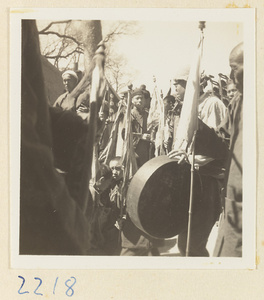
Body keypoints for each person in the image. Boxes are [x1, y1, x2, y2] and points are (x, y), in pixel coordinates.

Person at [168, 71, 226, 256]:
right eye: (174, 83)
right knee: (184, 244)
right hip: (188, 180)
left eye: (179, 82)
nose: (175, 87)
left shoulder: (212, 104)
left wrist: (190, 158)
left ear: (194, 84)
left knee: (193, 245)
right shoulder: (185, 108)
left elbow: (218, 145)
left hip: (206, 183)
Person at [195, 43, 243, 257]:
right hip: (234, 206)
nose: (232, 74)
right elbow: (223, 142)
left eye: (236, 67)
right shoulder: (238, 103)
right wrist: (198, 129)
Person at [130, 88, 153, 167]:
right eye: (137, 98)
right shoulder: (130, 115)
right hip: (134, 149)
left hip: (147, 149)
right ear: (132, 100)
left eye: (142, 98)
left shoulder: (147, 114)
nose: (140, 100)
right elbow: (124, 133)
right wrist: (140, 136)